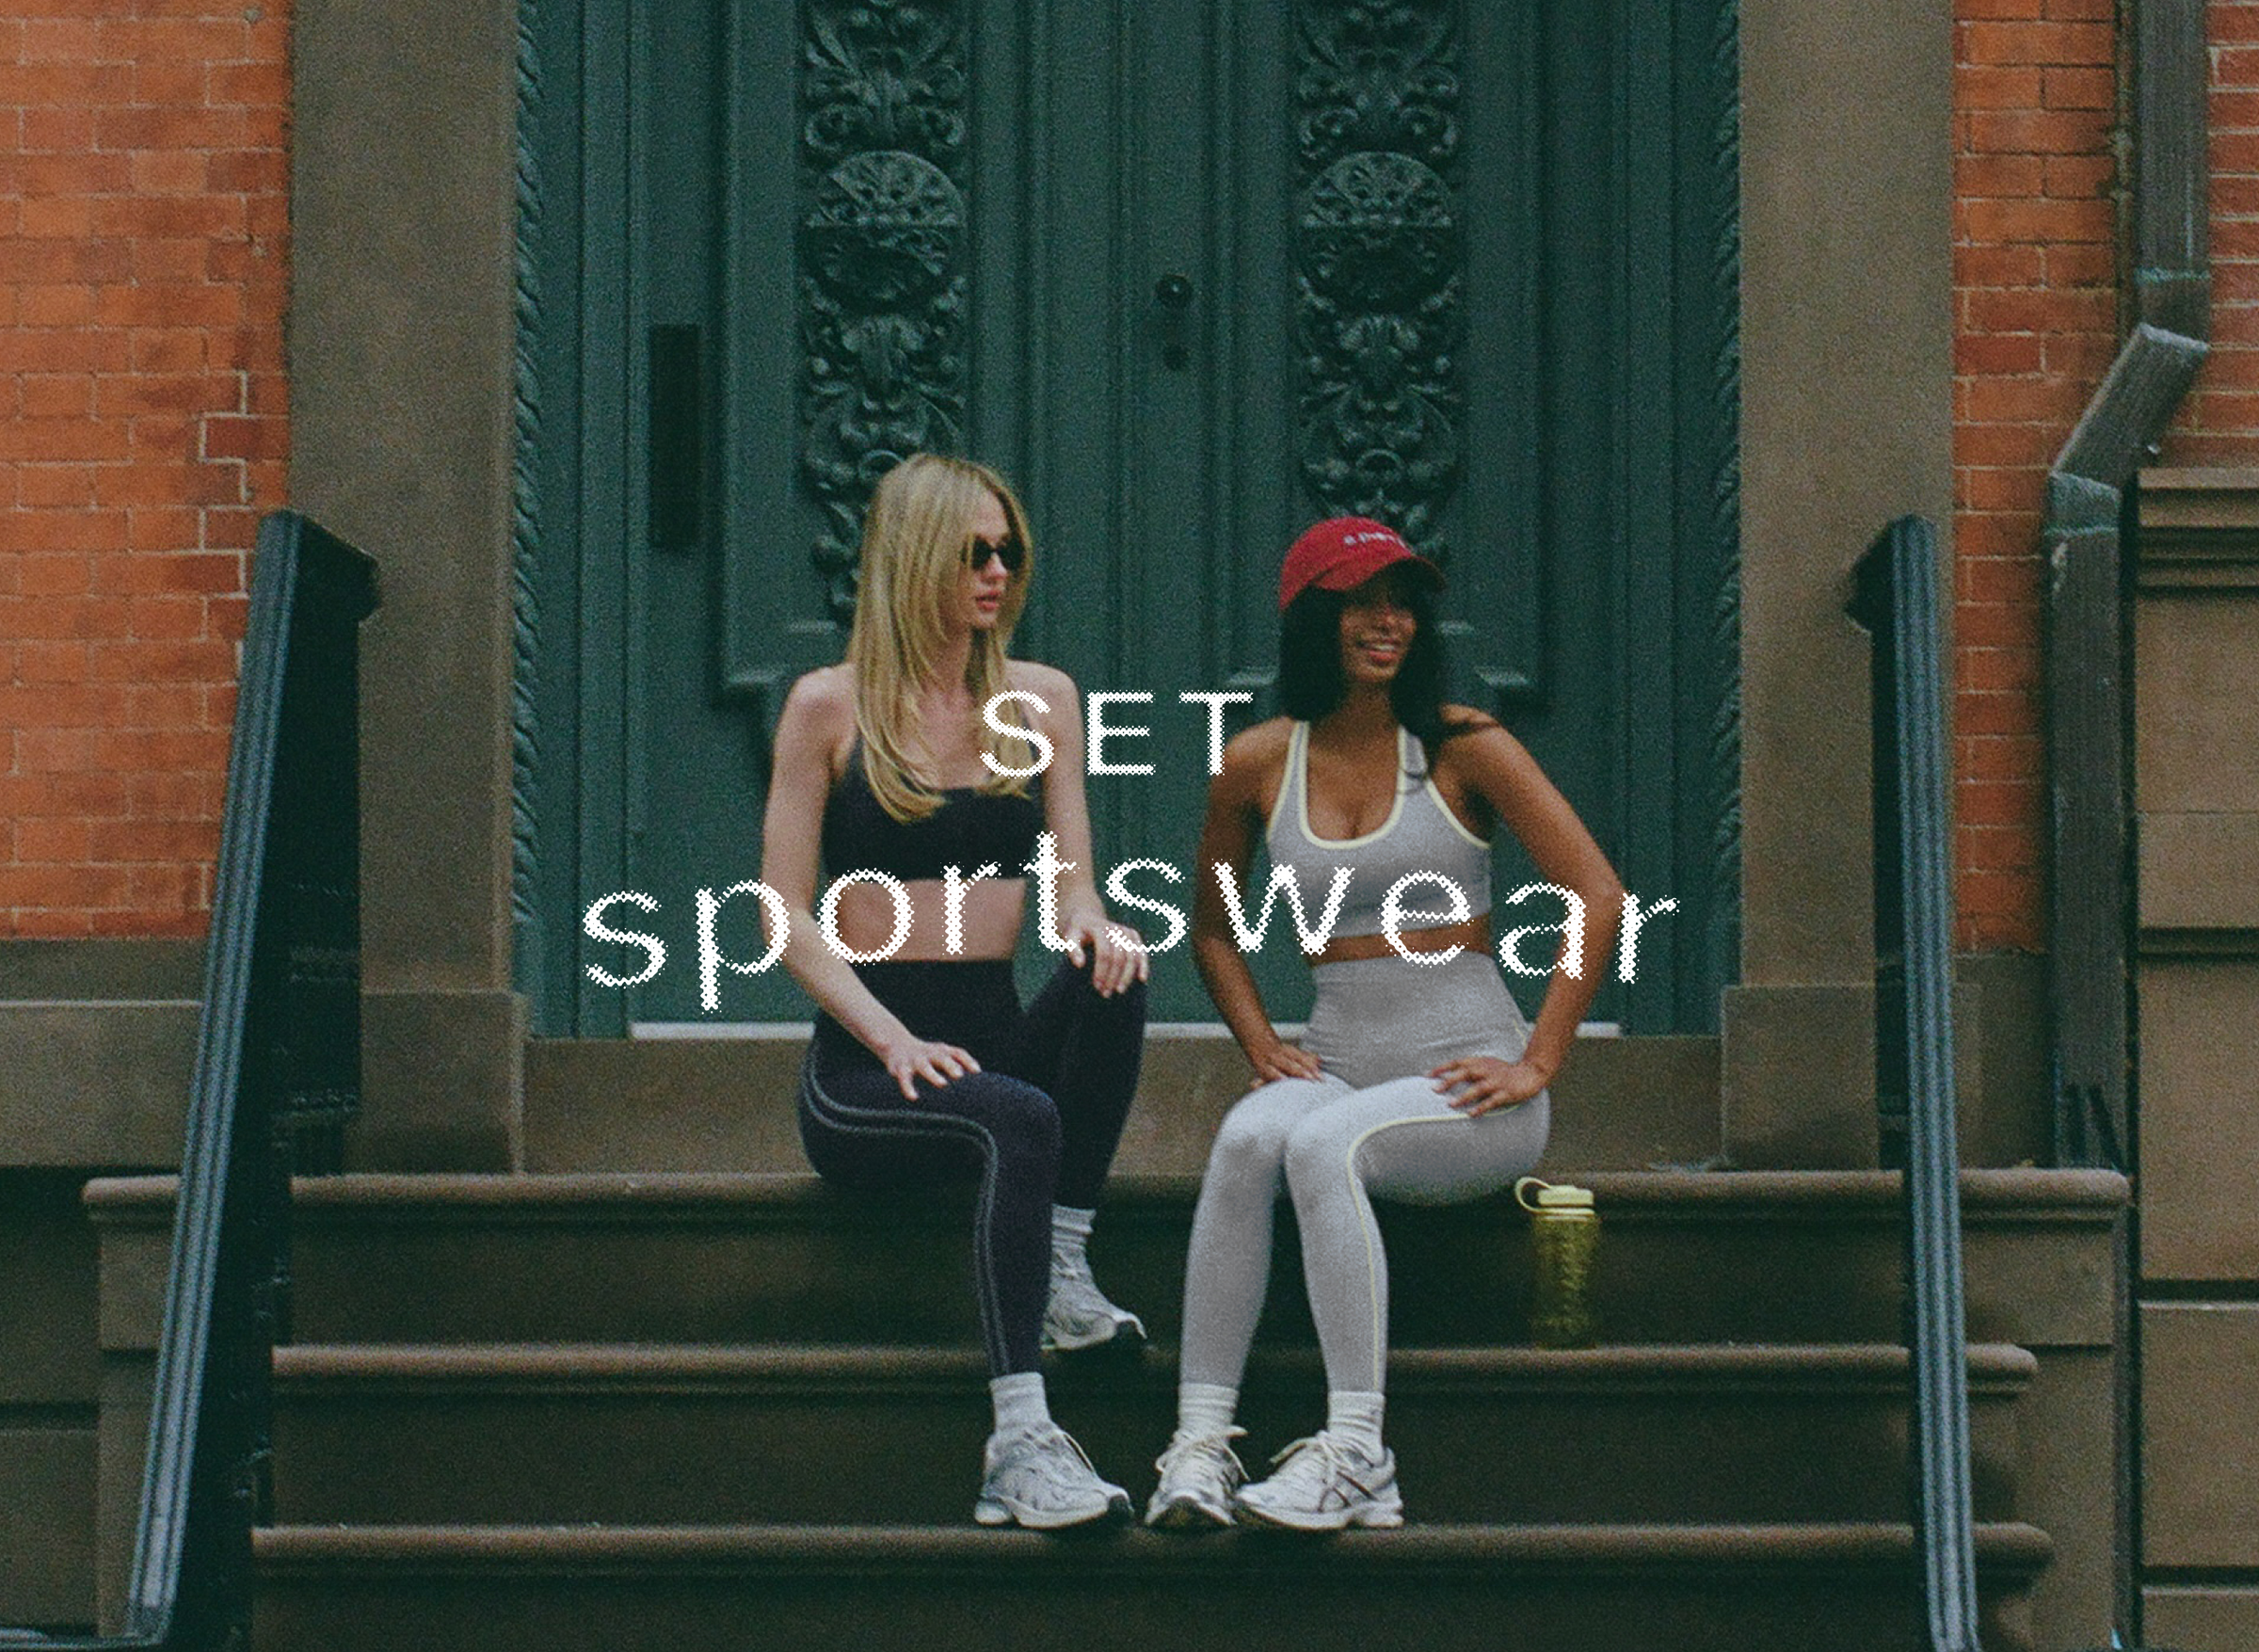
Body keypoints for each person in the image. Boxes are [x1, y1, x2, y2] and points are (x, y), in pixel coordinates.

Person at [1145, 516, 1624, 1532]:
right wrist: (1259, 1043)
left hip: (1471, 1092)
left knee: (1321, 1142)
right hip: (1344, 1071)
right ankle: (1198, 1445)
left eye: (1403, 601)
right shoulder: (1256, 765)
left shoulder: (1462, 747)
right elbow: (1215, 934)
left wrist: (1538, 1059)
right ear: (1312, 620)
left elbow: (1598, 894)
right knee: (1246, 1136)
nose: (1387, 621)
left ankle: (1358, 1453)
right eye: (1360, 601)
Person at [760, 453, 1151, 1530]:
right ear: (916, 557)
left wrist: (1095, 927)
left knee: (1116, 979)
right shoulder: (826, 709)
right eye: (973, 551)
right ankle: (1018, 1443)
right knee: (1017, 1118)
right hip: (866, 1070)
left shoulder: (1044, 701)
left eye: (1008, 551)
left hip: (991, 1033)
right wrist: (887, 1039)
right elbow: (782, 914)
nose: (996, 572)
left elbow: (1073, 881)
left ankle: (1064, 1267)